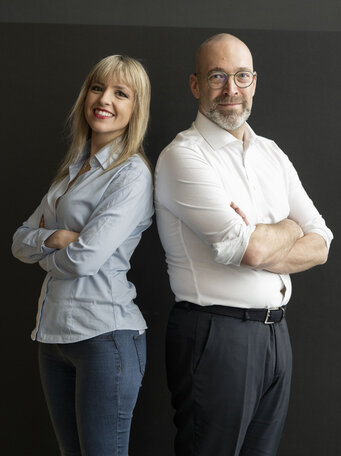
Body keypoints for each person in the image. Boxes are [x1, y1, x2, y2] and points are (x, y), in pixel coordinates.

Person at [154, 33, 333, 456]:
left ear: (254, 81)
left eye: (241, 76)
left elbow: (322, 241)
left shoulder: (272, 153)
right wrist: (291, 227)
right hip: (214, 335)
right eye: (218, 76)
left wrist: (263, 232)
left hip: (276, 334)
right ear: (196, 85)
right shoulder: (183, 156)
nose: (231, 89)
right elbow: (248, 250)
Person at [12, 55, 153, 456]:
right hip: (52, 335)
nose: (104, 99)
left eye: (120, 93)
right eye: (97, 87)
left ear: (135, 108)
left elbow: (85, 260)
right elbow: (18, 240)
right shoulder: (71, 170)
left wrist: (46, 250)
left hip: (105, 337)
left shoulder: (131, 175)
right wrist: (57, 237)